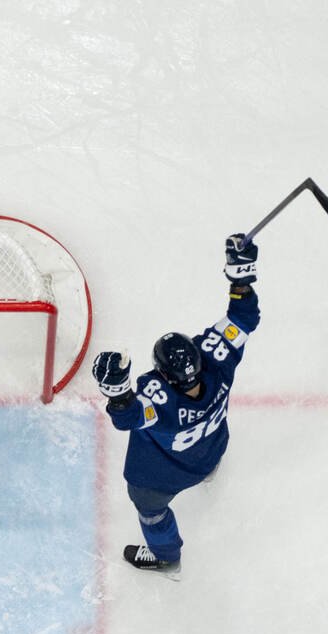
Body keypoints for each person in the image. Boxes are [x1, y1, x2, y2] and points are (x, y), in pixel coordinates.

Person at [91, 233, 261, 571]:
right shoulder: (218, 361)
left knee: (151, 514)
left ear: (165, 376)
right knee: (208, 459)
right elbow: (243, 318)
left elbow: (130, 418)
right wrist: (241, 280)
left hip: (158, 479)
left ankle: (166, 558)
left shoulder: (160, 401)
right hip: (211, 450)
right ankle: (210, 473)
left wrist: (118, 392)